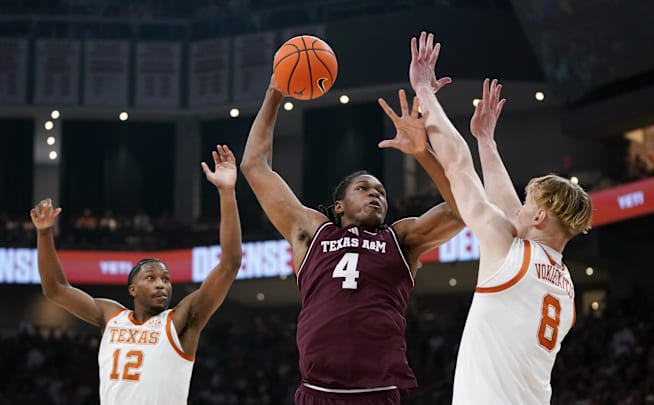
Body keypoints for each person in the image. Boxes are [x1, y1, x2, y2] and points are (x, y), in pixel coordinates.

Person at [240, 75, 464, 404]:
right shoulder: (312, 232)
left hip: (377, 392)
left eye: (381, 193)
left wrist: (423, 154)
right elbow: (254, 166)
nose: (375, 195)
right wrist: (274, 93)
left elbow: (462, 211)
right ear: (339, 205)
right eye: (363, 189)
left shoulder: (401, 239)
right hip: (317, 391)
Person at [408, 31, 594, 404]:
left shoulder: (509, 252)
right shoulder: (565, 286)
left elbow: (458, 167)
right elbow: (510, 210)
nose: (517, 208)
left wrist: (424, 92)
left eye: (528, 202)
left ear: (540, 217)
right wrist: (486, 141)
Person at [29, 145, 243, 405]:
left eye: (165, 279)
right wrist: (44, 234)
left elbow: (229, 264)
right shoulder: (111, 316)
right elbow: (56, 289)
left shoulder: (182, 319)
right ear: (132, 289)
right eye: (151, 278)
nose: (161, 285)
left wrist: (226, 191)